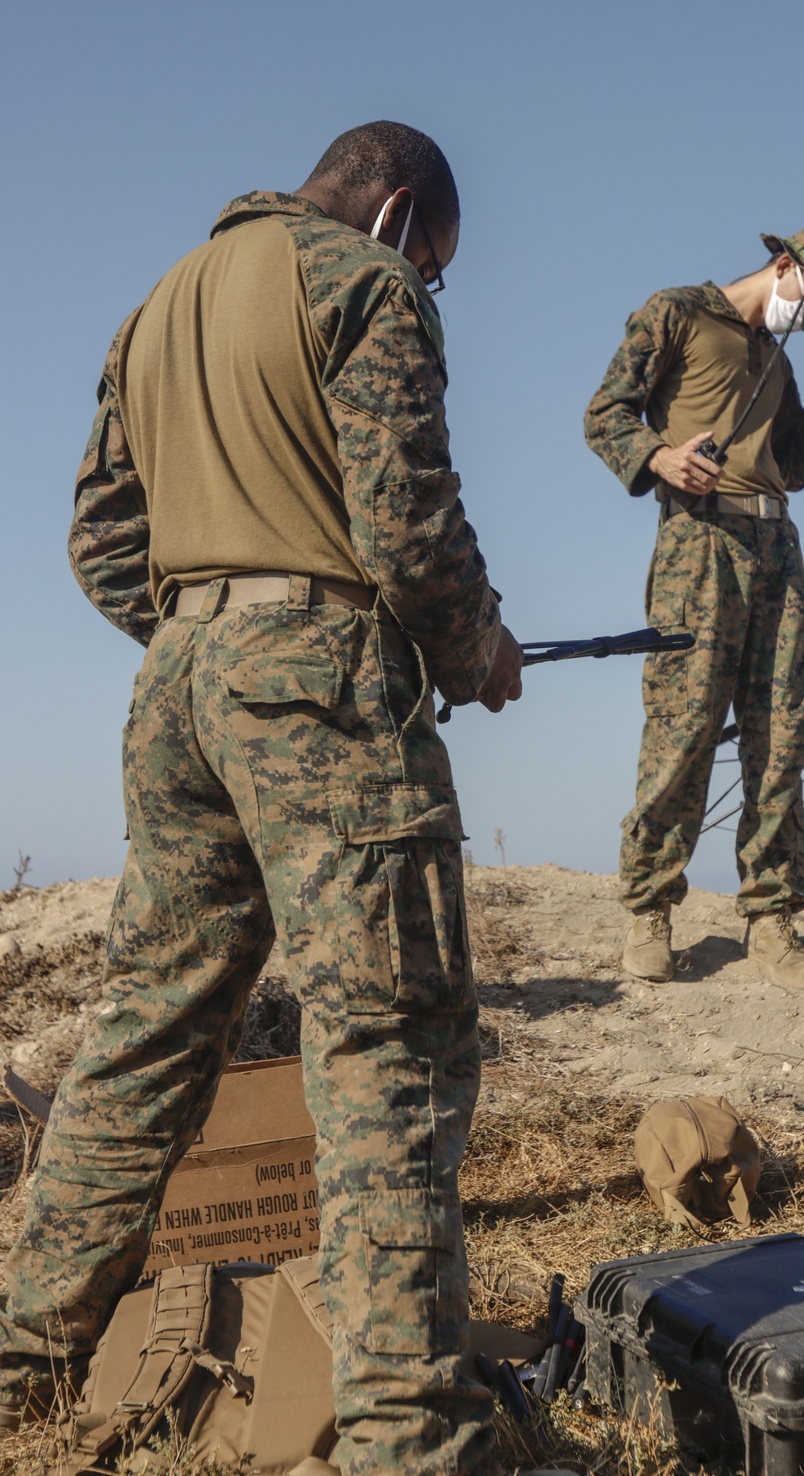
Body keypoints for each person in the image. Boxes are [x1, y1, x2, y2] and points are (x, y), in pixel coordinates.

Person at [0, 121, 523, 1476]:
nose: (433, 286)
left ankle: (23, 1363)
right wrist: (476, 649)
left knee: (146, 1031)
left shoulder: (159, 302)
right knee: (390, 1040)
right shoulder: (364, 279)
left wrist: (207, 639)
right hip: (321, 680)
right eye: (439, 265)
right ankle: (410, 1439)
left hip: (177, 691)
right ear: (400, 212)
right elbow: (406, 521)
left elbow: (101, 540)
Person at [584, 226, 804, 993]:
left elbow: (795, 467)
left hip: (777, 547)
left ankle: (771, 917)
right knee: (684, 726)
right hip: (697, 544)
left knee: (781, 736)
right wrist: (660, 458)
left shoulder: (776, 356)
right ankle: (648, 908)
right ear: (781, 268)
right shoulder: (674, 314)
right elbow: (604, 414)